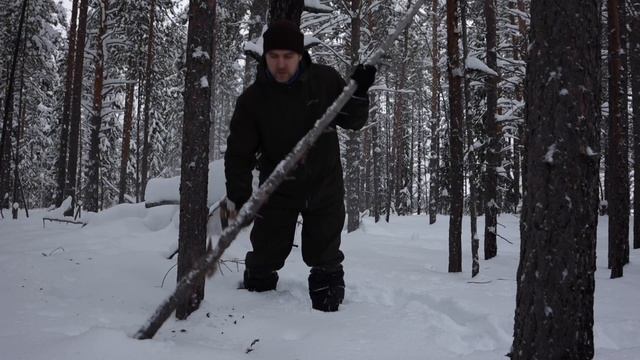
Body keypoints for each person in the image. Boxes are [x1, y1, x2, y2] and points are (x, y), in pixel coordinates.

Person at [224, 20, 376, 312]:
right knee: (265, 257)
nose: (281, 64)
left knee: (325, 255)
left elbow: (353, 121)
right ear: (265, 57)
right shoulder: (253, 101)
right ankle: (255, 309)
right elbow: (239, 154)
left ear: (300, 55)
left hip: (324, 183)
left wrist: (359, 92)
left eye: (288, 56)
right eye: (274, 56)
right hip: (277, 189)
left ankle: (328, 320)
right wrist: (239, 195)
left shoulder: (325, 80)